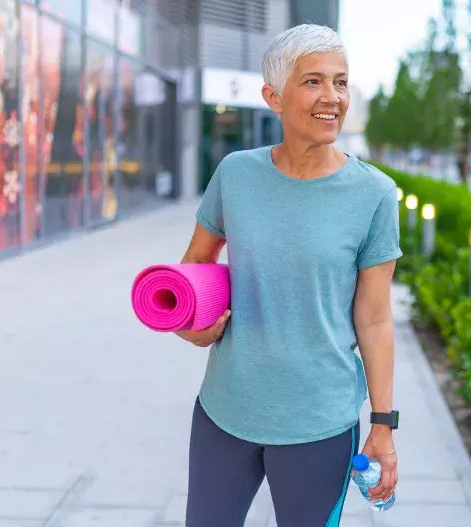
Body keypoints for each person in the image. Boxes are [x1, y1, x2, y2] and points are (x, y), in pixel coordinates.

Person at [175, 24, 401, 526]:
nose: (332, 97)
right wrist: (190, 322)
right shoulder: (235, 174)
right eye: (313, 81)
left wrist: (383, 425)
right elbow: (193, 265)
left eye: (341, 82)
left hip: (319, 422)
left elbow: (376, 316)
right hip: (224, 409)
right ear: (273, 97)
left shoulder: (375, 194)